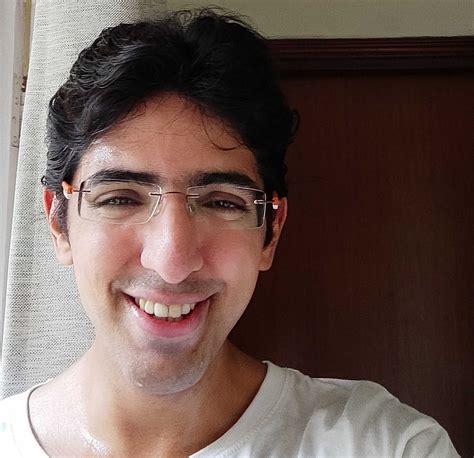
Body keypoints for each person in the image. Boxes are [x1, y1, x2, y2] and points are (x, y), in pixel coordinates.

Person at [0, 9, 458, 457]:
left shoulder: (387, 445)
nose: (172, 262)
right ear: (59, 222)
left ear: (271, 232)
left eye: (221, 202)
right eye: (121, 198)